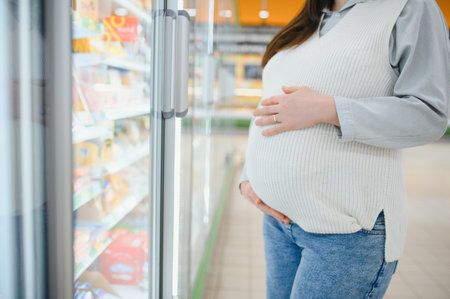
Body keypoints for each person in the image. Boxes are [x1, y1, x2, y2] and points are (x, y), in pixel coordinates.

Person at [238, 0, 450, 298]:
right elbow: (271, 103)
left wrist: (329, 109)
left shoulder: (408, 8)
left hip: (345, 234)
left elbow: (429, 115)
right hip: (278, 222)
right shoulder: (313, 15)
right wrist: (249, 177)